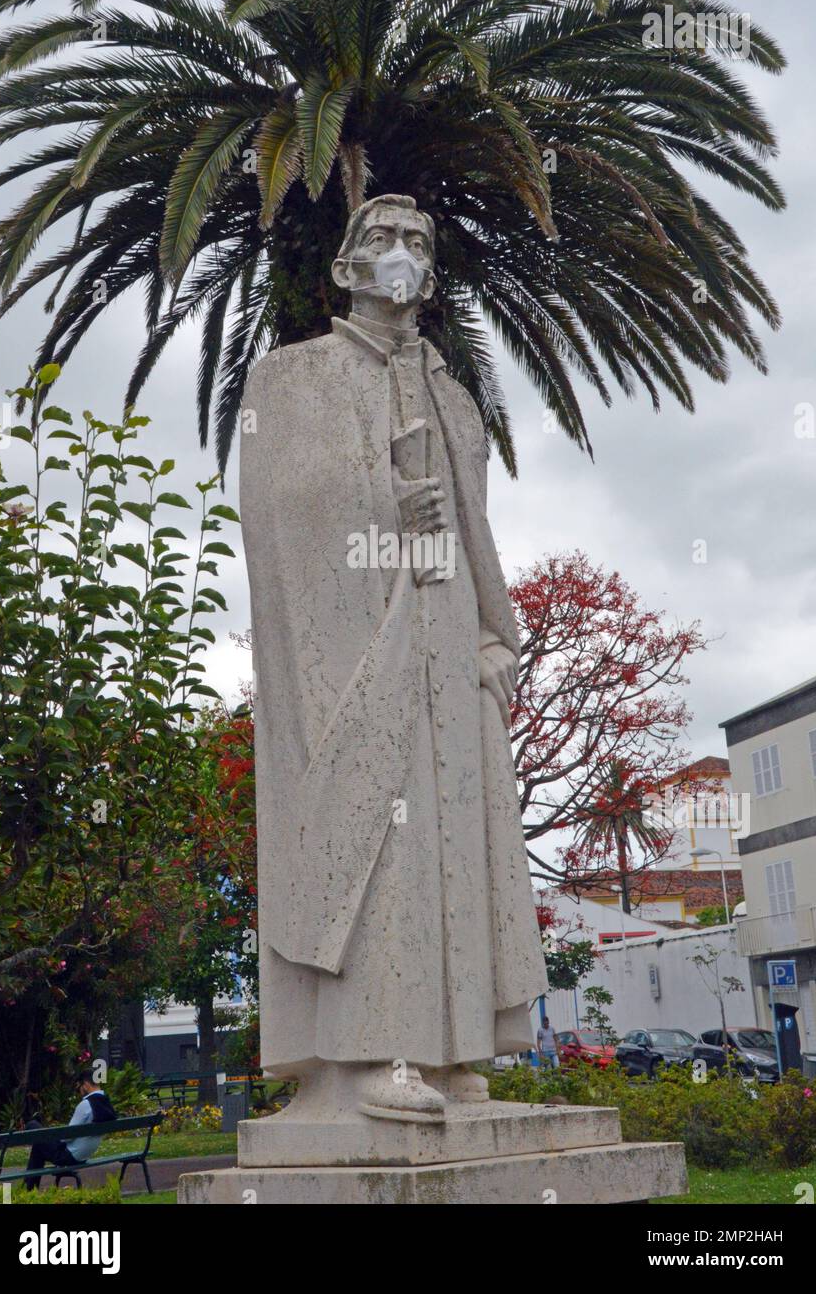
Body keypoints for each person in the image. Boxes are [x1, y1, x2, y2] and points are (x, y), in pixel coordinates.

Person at [241, 194, 547, 1122]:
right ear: (344, 269)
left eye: (417, 241)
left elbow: (478, 532)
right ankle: (368, 1051)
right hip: (353, 647)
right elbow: (276, 511)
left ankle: (456, 1054)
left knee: (459, 836)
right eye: (381, 238)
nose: (402, 252)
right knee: (380, 836)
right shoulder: (290, 379)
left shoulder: (456, 398)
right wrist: (381, 513)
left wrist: (494, 634)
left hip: (449, 647)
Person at [23, 1071, 116, 1189]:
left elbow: (67, 1136)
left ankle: (28, 1189)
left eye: (79, 1087)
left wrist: (52, 1135)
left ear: (86, 1085)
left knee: (32, 1125)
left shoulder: (86, 1105)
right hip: (84, 1156)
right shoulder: (106, 1104)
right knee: (39, 1145)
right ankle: (29, 1189)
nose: (79, 1091)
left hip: (68, 1156)